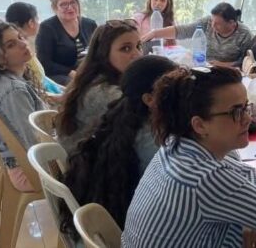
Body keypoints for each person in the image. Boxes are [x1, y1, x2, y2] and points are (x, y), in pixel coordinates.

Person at [121, 67, 256, 247]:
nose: (248, 119)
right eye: (236, 112)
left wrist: (253, 215)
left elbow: (244, 169)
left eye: (246, 107)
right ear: (200, 125)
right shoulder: (205, 179)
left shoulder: (174, 144)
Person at [62, 55, 178, 230]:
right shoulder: (154, 144)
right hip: (134, 227)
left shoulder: (120, 119)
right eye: (177, 89)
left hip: (116, 219)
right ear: (149, 99)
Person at [0, 21, 46, 192]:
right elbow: (33, 143)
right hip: (31, 170)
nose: (23, 44)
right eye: (11, 45)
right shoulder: (13, 91)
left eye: (20, 37)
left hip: (23, 165)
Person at [57, 20, 142, 155]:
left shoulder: (93, 77)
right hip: (86, 162)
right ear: (104, 54)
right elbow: (144, 124)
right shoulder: (105, 93)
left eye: (138, 46)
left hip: (91, 156)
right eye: (126, 48)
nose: (137, 54)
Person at [142, 2, 252, 67]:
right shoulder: (207, 22)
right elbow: (184, 30)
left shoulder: (244, 35)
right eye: (212, 21)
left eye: (218, 24)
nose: (213, 26)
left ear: (232, 23)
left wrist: (224, 64)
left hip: (227, 72)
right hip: (203, 66)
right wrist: (155, 33)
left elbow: (246, 62)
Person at [36, 0, 97, 85]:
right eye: (63, 4)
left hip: (87, 71)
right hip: (60, 75)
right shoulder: (47, 28)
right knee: (77, 84)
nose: (70, 7)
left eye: (73, 2)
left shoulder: (90, 24)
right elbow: (44, 62)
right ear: (55, 8)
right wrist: (71, 73)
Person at [5, 1, 63, 104]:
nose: (22, 44)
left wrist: (65, 90)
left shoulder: (27, 47)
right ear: (31, 23)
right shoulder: (22, 55)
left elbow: (42, 79)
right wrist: (63, 96)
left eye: (21, 38)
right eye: (37, 19)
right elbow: (33, 91)